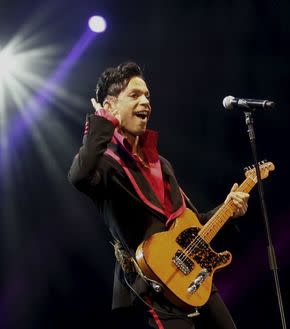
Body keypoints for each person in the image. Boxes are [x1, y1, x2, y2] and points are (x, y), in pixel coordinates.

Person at [68, 62, 250, 329]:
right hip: (153, 287)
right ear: (110, 106)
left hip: (192, 276)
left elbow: (192, 224)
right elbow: (79, 176)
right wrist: (101, 124)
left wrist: (227, 209)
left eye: (147, 96)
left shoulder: (160, 164)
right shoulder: (105, 163)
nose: (145, 102)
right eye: (134, 95)